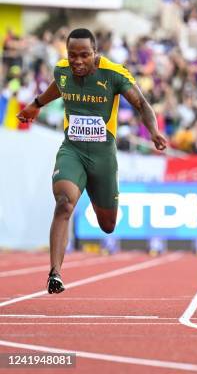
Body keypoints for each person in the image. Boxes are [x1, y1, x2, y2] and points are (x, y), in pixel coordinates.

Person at [17, 28, 167, 294]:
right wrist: (36, 104)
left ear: (95, 54)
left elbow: (142, 104)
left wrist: (153, 131)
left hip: (102, 156)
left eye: (84, 55)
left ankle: (99, 205)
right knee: (64, 204)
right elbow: (58, 87)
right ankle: (55, 273)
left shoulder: (114, 74)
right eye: (72, 55)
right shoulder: (62, 71)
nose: (77, 61)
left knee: (107, 225)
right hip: (72, 150)